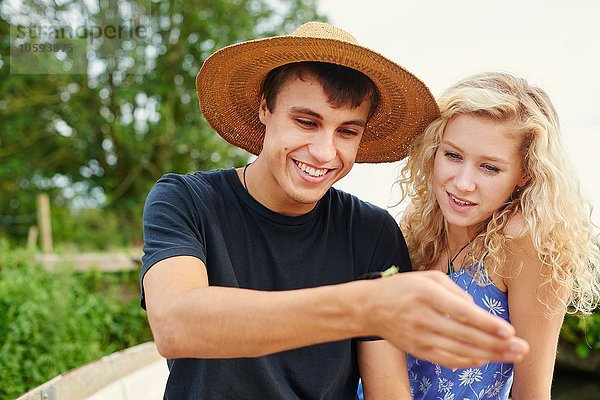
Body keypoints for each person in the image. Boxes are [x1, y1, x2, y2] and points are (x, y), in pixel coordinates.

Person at [140, 22, 529, 399]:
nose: (325, 153)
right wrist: (364, 307)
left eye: (347, 131)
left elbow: (387, 390)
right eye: (306, 122)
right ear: (265, 109)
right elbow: (176, 324)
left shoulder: (371, 231)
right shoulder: (186, 200)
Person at [394, 71, 600, 399]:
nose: (462, 182)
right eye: (453, 155)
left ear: (524, 174)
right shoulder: (420, 227)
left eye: (489, 168)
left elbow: (531, 394)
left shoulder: (524, 241)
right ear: (434, 151)